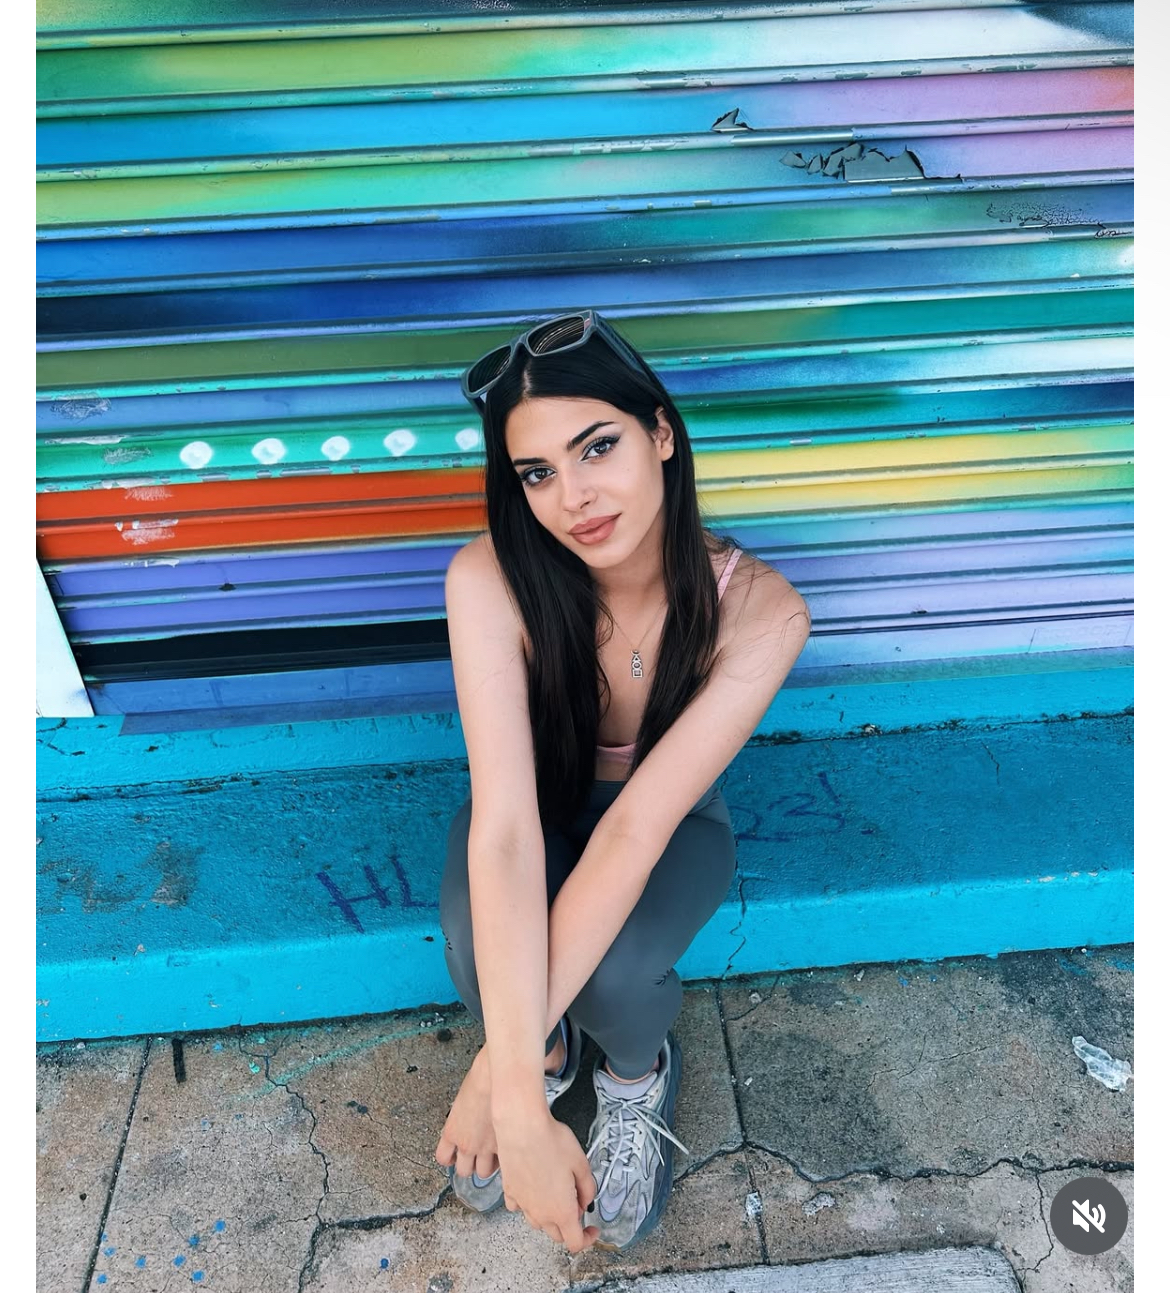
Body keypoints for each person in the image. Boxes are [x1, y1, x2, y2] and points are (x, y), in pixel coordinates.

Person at [433, 310, 810, 1253]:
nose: (575, 497)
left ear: (661, 433)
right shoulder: (489, 578)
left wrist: (491, 1081)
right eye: (537, 472)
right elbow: (507, 828)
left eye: (597, 446)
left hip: (668, 826)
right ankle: (546, 1053)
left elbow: (637, 829)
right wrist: (519, 1089)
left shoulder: (761, 611)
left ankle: (636, 1075)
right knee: (479, 933)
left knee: (619, 967)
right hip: (539, 804)